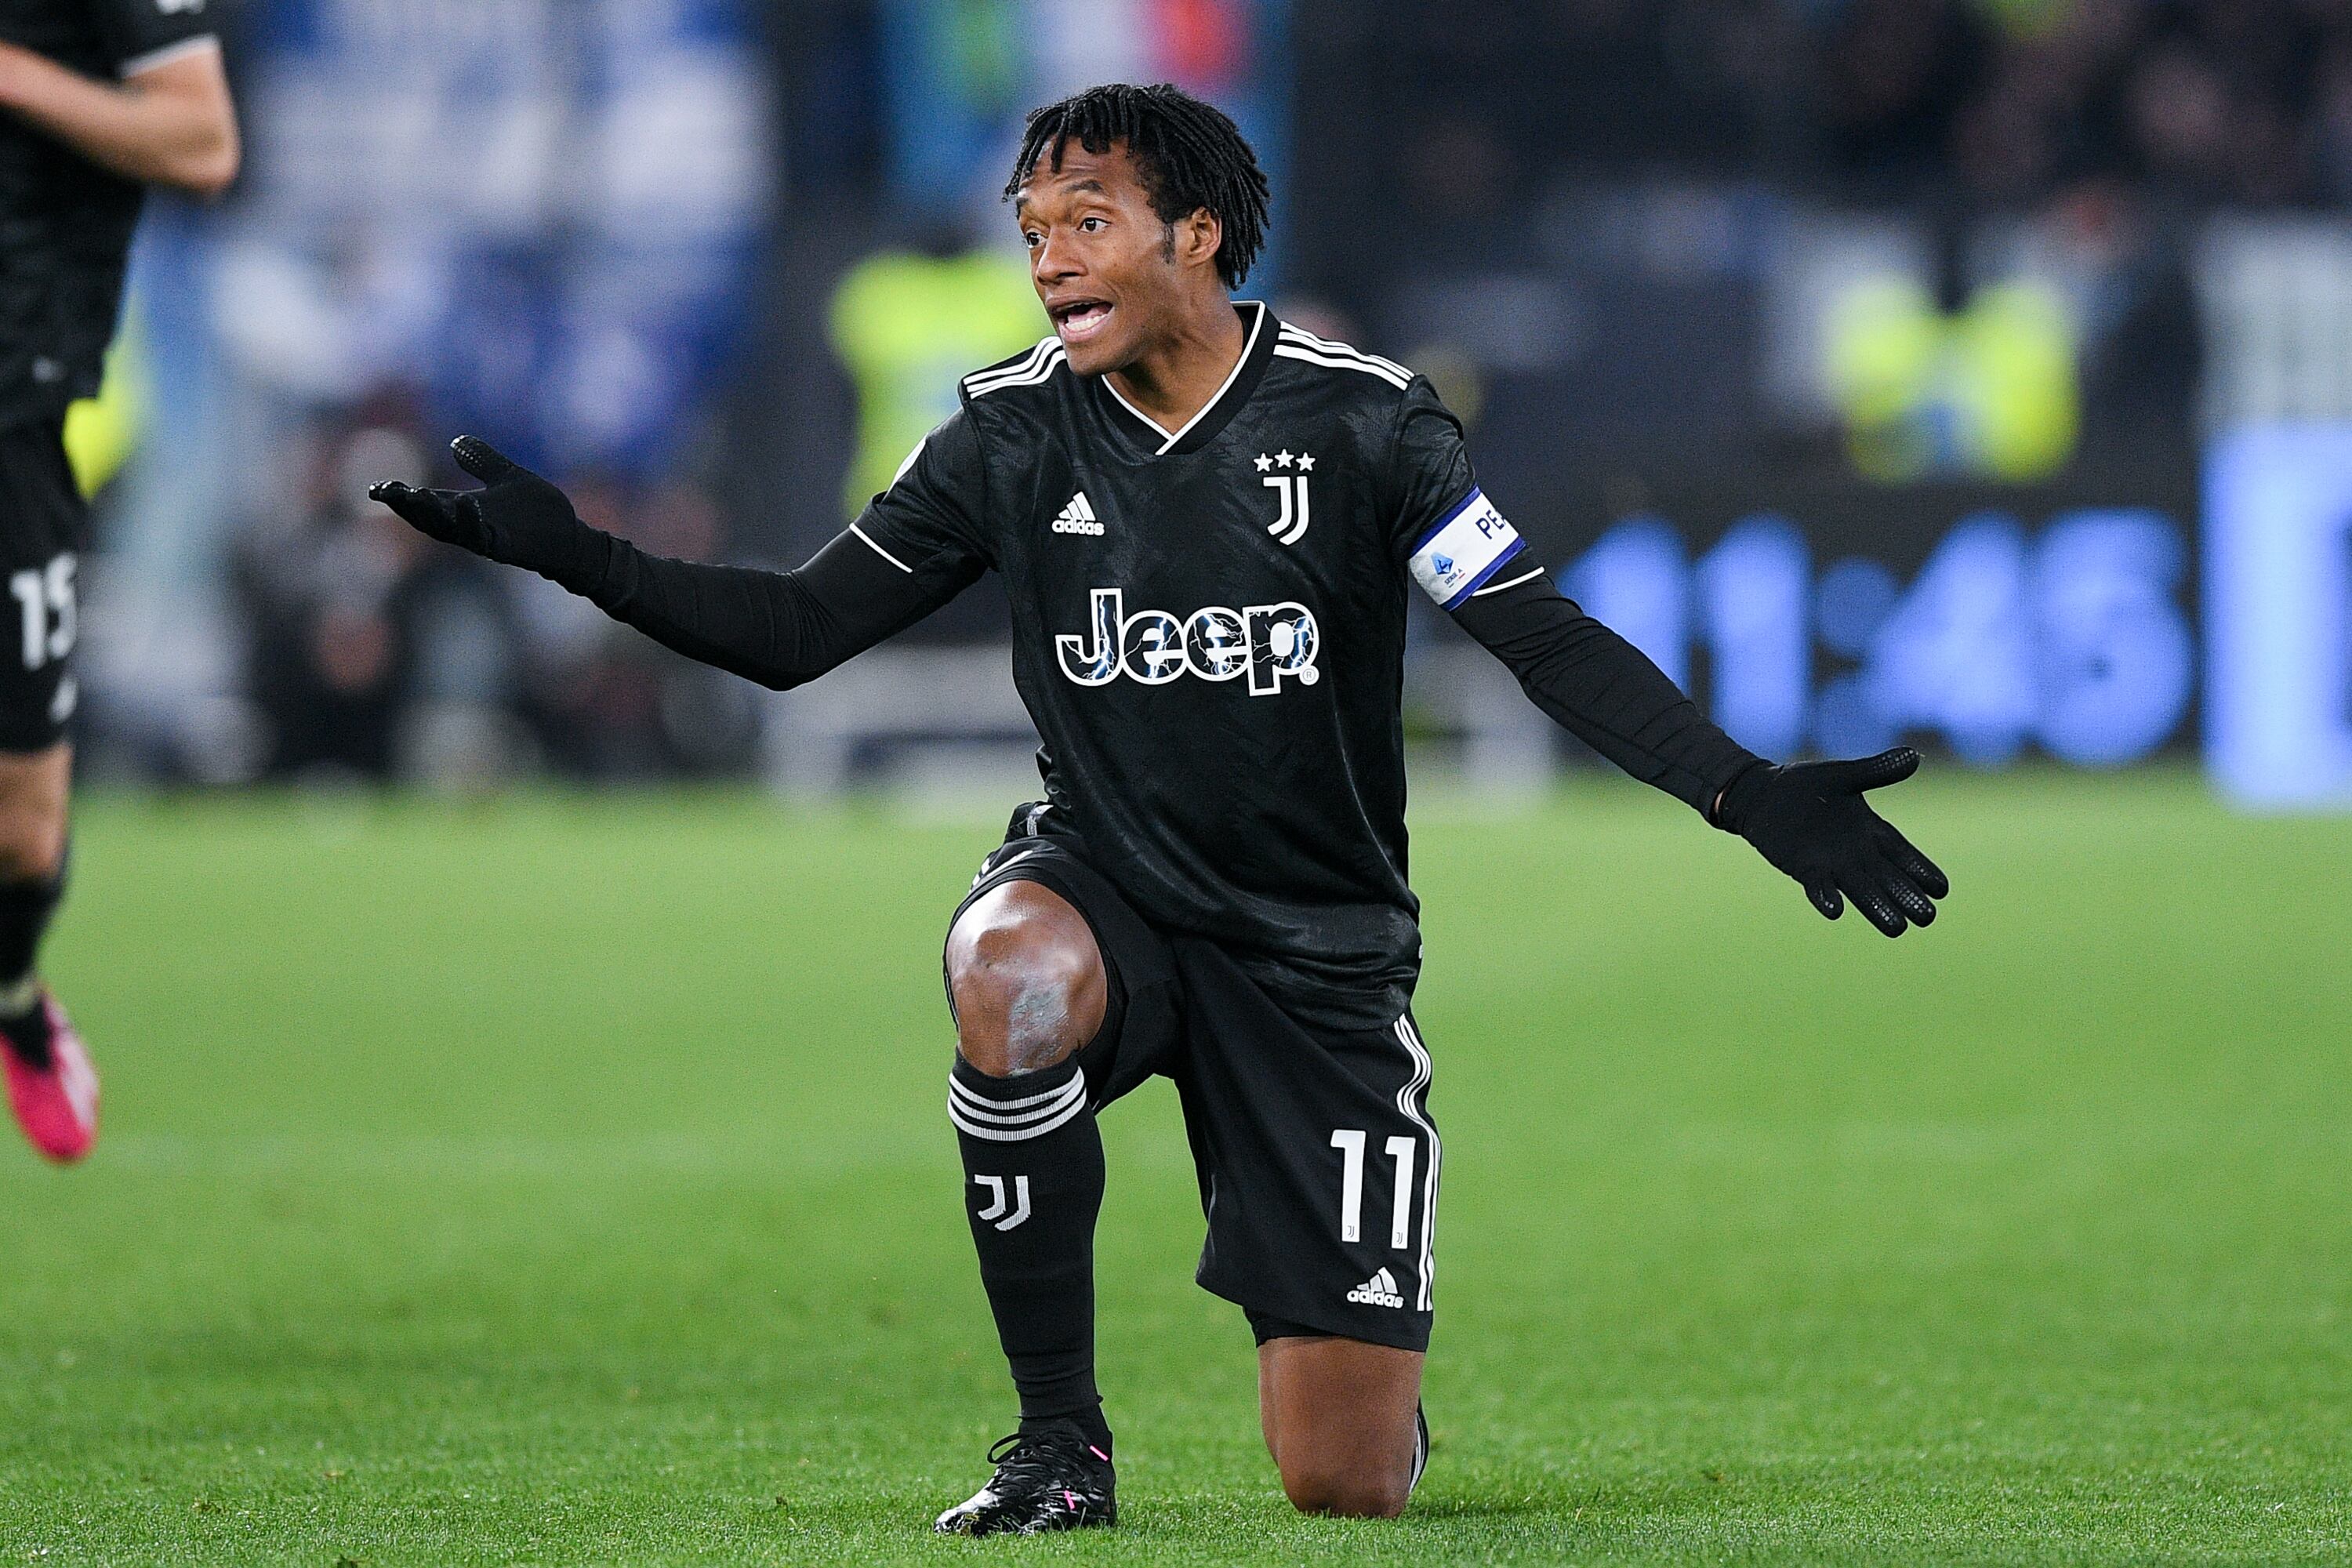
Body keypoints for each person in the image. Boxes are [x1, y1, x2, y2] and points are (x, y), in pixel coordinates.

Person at [373, 83, 1946, 1533]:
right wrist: (574, 553)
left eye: (1089, 222)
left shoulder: (1366, 421)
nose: (1052, 262)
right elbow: (796, 635)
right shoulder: (1005, 432)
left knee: (1343, 1484)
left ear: (1196, 232)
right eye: (1035, 234)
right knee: (1009, 972)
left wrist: (1741, 791)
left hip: (1317, 957)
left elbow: (1535, 632)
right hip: (1109, 883)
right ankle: (1059, 1442)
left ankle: (1369, 1373)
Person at [0, 0, 239, 1163]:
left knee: (21, 837)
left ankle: (12, 996)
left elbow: (202, 142)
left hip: (17, 412)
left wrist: (16, 79)